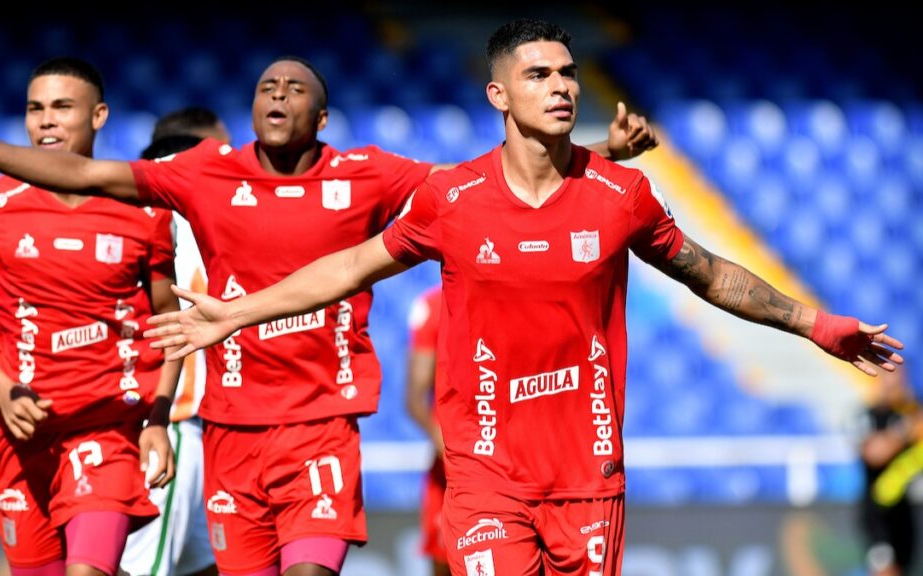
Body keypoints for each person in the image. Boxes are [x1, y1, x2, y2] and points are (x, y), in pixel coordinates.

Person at [132, 19, 904, 576]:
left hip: (588, 479)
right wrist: (234, 313)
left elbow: (710, 272)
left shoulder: (620, 194)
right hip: (485, 475)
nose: (562, 86)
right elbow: (347, 268)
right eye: (540, 75)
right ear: (500, 93)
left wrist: (817, 324)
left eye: (568, 73)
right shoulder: (454, 200)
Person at [0, 52, 658, 575]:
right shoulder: (207, 173)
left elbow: (482, 189)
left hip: (322, 428)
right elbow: (87, 172)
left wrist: (596, 153)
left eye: (295, 87)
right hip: (232, 433)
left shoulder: (365, 172)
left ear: (322, 114)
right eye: (266, 86)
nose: (277, 95)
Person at [0, 57, 180, 576]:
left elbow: (169, 319)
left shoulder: (146, 211)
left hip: (106, 432)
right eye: (35, 108)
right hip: (20, 440)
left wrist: (158, 419)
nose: (46, 120)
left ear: (99, 116)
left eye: (62, 107)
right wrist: (2, 389)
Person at [120, 108, 225, 576]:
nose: (233, 162)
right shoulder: (165, 222)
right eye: (219, 150)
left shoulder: (156, 217)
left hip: (196, 429)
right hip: (167, 425)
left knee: (202, 566)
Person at [404, 286, 450, 576]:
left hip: (512, 461)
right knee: (445, 563)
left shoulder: (515, 300)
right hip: (452, 469)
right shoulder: (433, 307)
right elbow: (414, 397)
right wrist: (443, 440)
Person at [858, 367, 920, 576]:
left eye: (899, 379)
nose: (894, 385)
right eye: (889, 377)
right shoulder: (869, 415)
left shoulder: (912, 412)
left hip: (908, 513)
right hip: (878, 515)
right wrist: (904, 432)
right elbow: (874, 455)